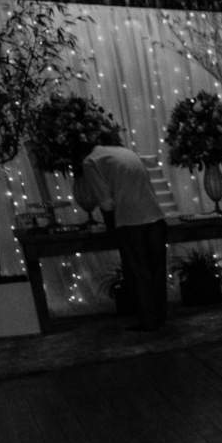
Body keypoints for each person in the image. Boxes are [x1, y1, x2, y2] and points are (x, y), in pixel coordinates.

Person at [77, 141, 168, 331]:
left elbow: (105, 199)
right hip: (155, 214)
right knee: (157, 269)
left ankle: (148, 320)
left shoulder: (90, 162)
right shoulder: (124, 151)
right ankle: (160, 315)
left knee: (138, 271)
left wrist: (111, 228)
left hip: (129, 219)